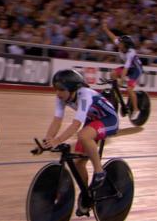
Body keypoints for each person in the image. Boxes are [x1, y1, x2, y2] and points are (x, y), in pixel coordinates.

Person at [43, 69, 119, 215]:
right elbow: (57, 120)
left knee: (83, 136)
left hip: (109, 119)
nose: (58, 93)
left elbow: (76, 124)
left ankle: (99, 172)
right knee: (78, 163)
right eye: (56, 89)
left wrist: (58, 140)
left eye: (61, 90)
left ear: (73, 89)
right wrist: (48, 139)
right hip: (93, 121)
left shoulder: (84, 94)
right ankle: (87, 195)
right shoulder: (61, 97)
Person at [102, 21, 144, 120]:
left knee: (129, 89)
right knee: (113, 74)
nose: (118, 44)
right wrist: (105, 29)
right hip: (129, 68)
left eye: (121, 44)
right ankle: (117, 97)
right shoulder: (121, 44)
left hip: (136, 70)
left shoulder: (131, 52)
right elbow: (113, 37)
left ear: (126, 46)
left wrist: (122, 80)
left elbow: (126, 67)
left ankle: (136, 110)